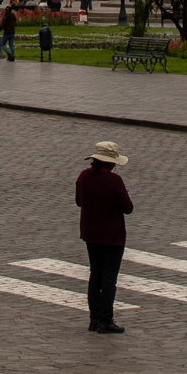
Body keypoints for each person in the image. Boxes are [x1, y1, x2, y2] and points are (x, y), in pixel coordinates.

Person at [76, 141, 134, 335]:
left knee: (96, 275)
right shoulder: (114, 180)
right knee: (109, 278)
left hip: (90, 233)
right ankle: (106, 320)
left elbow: (78, 201)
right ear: (112, 162)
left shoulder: (84, 176)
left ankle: (94, 319)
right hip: (112, 236)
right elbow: (128, 208)